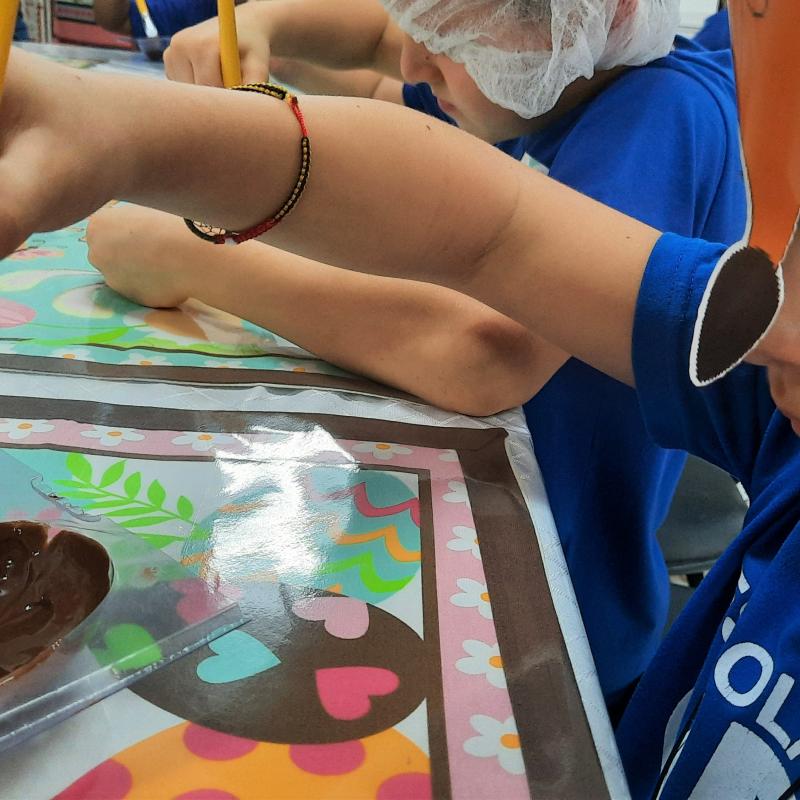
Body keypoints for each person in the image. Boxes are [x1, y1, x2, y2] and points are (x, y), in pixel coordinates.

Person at [0, 41, 799, 796]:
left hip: (569, 632)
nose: (782, 311)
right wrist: (135, 137)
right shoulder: (780, 396)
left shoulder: (663, 113)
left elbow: (487, 334)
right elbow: (497, 230)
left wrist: (181, 232)